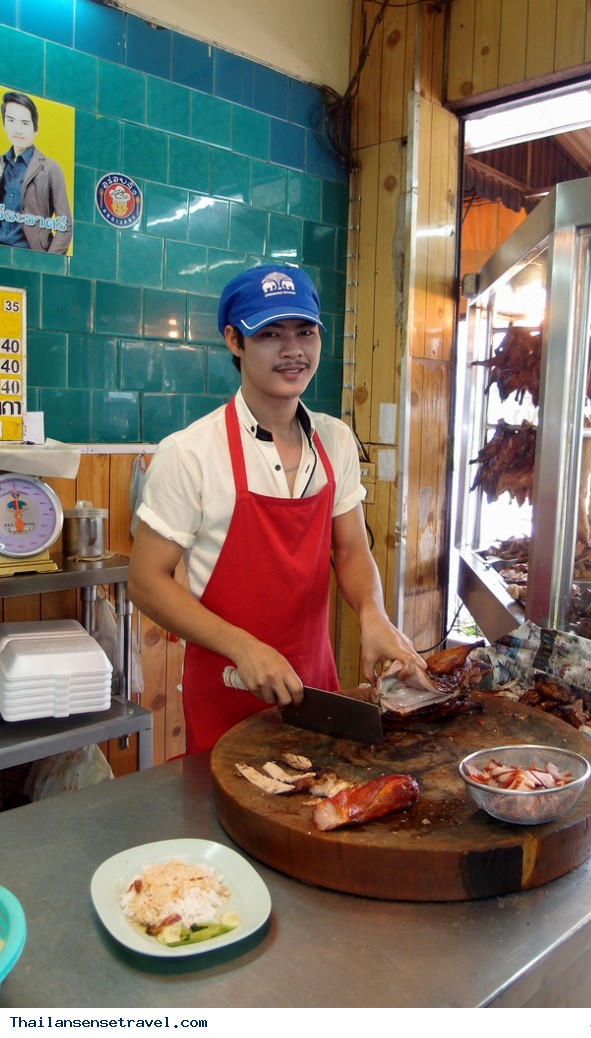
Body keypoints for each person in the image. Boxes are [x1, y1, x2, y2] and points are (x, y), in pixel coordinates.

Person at [128, 264, 427, 754]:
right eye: (269, 334)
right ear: (234, 340)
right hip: (229, 686)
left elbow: (350, 549)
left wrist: (373, 613)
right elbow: (146, 580)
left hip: (318, 688)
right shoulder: (190, 452)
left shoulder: (336, 439)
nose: (293, 351)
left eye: (305, 332)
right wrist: (242, 646)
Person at [0, 91, 72, 254]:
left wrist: (49, 261)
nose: (17, 129)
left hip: (31, 253)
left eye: (25, 123)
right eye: (11, 120)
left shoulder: (51, 168)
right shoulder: (1, 162)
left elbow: (65, 225)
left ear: (35, 128)